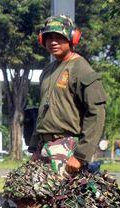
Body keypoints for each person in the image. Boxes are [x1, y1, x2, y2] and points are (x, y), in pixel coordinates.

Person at [29, 15, 107, 174]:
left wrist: (80, 155)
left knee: (59, 198)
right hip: (45, 146)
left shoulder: (81, 69)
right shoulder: (47, 71)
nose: (53, 41)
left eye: (59, 36)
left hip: (68, 147)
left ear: (72, 37)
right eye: (48, 37)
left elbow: (96, 114)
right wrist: (35, 148)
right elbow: (43, 113)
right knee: (30, 195)